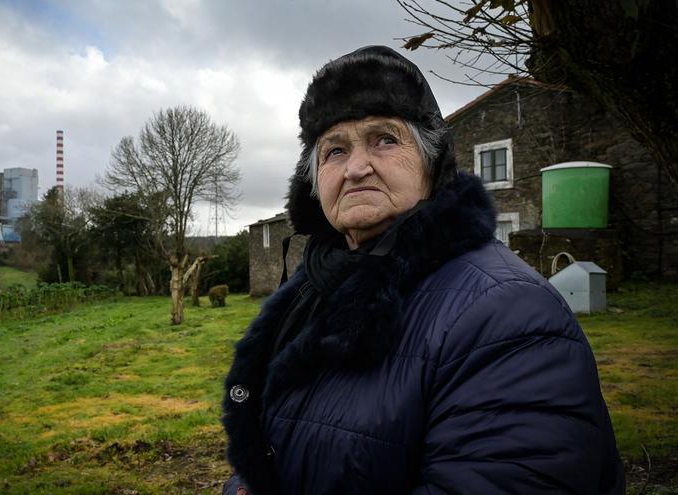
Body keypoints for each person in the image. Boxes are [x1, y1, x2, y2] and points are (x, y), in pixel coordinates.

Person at [221, 46, 625, 495]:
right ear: (314, 181)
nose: (356, 168)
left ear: (432, 165)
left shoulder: (509, 314)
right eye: (334, 150)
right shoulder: (315, 287)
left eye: (385, 140)